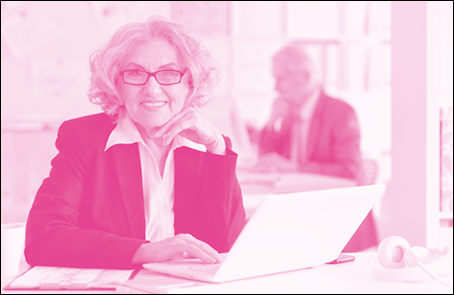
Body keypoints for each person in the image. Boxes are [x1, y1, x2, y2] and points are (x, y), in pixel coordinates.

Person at [25, 16, 246, 269]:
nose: (152, 89)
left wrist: (217, 150)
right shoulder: (83, 139)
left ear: (191, 84)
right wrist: (145, 252)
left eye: (169, 73)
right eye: (135, 73)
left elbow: (228, 248)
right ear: (116, 83)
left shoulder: (208, 147)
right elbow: (43, 238)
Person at [255, 44, 362, 180]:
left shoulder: (341, 113)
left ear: (305, 76)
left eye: (280, 79)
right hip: (291, 193)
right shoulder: (290, 114)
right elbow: (267, 160)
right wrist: (272, 122)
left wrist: (296, 168)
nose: (275, 88)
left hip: (323, 197)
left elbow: (349, 170)